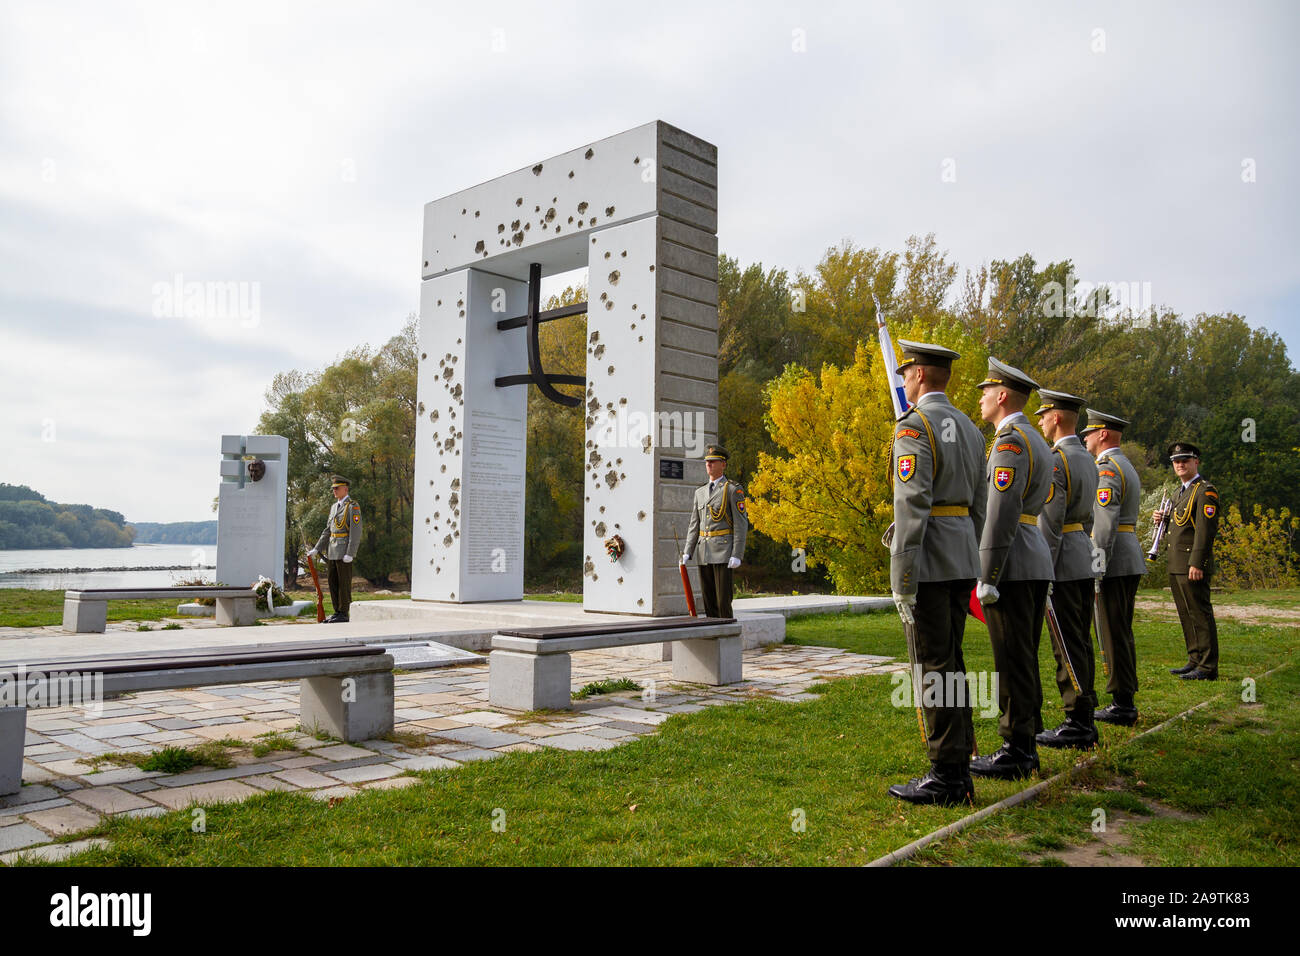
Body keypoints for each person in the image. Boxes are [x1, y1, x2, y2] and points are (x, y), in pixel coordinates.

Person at [885, 340, 987, 806]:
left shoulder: (915, 426)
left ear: (921, 376)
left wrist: (901, 577)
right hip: (961, 554)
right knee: (952, 659)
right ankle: (958, 761)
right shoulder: (969, 427)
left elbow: (912, 503)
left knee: (933, 664)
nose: (903, 379)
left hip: (928, 559)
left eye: (907, 372)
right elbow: (981, 505)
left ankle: (947, 774)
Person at [972, 358, 1054, 780]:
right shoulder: (1034, 439)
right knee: (1023, 654)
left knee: (1011, 656)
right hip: (1031, 555)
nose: (981, 397)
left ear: (1002, 396)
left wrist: (987, 573)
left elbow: (1002, 511)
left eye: (986, 390)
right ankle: (1027, 734)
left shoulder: (1010, 442)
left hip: (1013, 560)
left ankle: (1016, 748)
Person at [1033, 389, 1101, 749]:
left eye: (1044, 414)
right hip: (1082, 554)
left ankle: (1077, 719)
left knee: (1066, 643)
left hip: (1062, 560)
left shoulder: (1056, 460)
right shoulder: (1087, 458)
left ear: (1057, 418)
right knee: (1080, 639)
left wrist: (1044, 568)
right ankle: (1085, 713)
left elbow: (1051, 524)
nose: (1041, 420)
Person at [1081, 410, 1144, 724]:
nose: (1085, 438)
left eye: (1089, 433)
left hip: (1114, 557)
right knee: (1120, 630)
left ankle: (1123, 703)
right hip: (1127, 553)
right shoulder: (1125, 464)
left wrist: (1097, 566)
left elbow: (1103, 526)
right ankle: (1125, 696)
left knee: (1112, 630)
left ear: (1103, 434)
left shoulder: (1106, 468)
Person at [1156, 441, 1220, 680]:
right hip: (1177, 563)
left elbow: (1205, 531)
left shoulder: (1205, 490)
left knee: (1200, 614)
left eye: (1185, 460)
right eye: (1176, 461)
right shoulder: (1179, 491)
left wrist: (1197, 563)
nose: (1180, 464)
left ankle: (1207, 666)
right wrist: (1163, 518)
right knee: (1186, 613)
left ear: (1196, 462)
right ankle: (1194, 659)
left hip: (1191, 564)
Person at [683, 445, 748, 618]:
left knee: (722, 602)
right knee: (708, 601)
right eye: (707, 462)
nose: (709, 465)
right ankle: (712, 636)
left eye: (713, 462)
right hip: (704, 551)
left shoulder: (733, 490)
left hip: (723, 552)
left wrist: (737, 554)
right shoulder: (700, 492)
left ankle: (725, 637)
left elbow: (741, 525)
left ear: (723, 464)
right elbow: (694, 525)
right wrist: (687, 551)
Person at [307, 475, 363, 623]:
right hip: (332, 551)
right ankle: (337, 612)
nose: (334, 491)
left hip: (344, 551)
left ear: (346, 488)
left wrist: (350, 552)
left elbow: (356, 532)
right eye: (333, 489)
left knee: (343, 584)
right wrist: (317, 549)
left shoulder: (352, 506)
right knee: (333, 583)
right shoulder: (334, 507)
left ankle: (344, 613)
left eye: (337, 488)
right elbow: (327, 530)